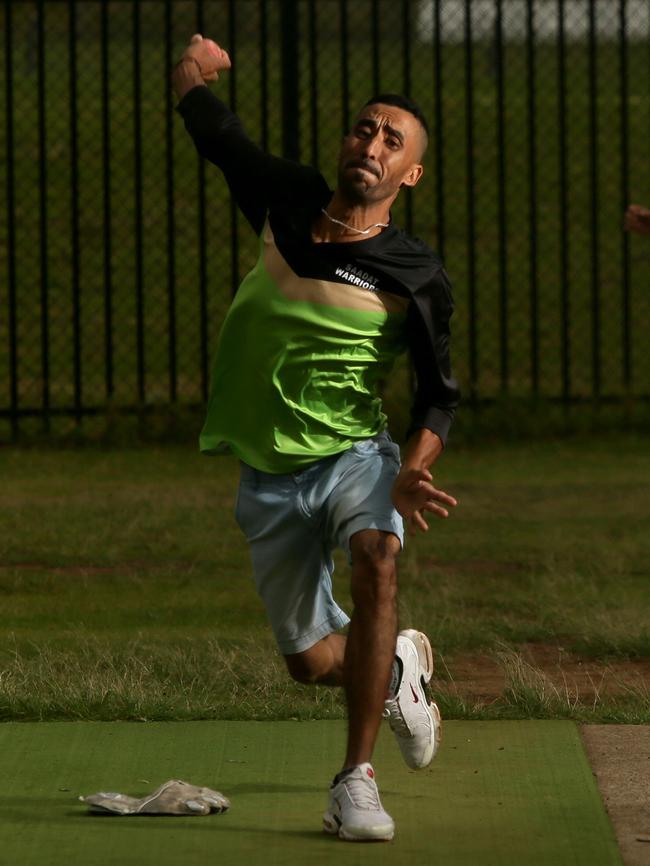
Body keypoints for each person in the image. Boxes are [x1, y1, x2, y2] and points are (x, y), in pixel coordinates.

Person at [172, 34, 460, 843]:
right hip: (269, 474)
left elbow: (440, 399)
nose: (371, 145)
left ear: (411, 174)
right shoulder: (285, 201)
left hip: (355, 458)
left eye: (391, 140)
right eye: (364, 129)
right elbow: (205, 119)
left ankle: (354, 782)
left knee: (378, 557)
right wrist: (196, 62)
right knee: (309, 664)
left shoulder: (417, 276)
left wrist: (412, 468)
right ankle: (396, 667)